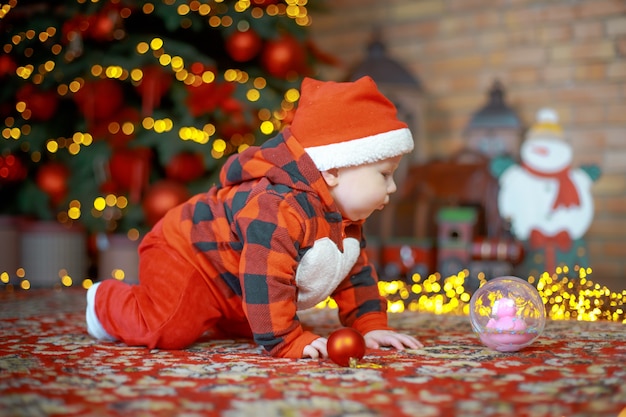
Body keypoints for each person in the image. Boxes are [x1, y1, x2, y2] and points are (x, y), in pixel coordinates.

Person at [86, 76, 423, 359]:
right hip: (188, 253)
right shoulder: (279, 207)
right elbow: (265, 275)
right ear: (333, 170)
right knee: (167, 327)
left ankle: (227, 316)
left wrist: (371, 326)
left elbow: (355, 276)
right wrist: (287, 340)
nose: (392, 187)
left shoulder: (344, 219)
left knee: (254, 317)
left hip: (236, 278)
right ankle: (104, 302)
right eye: (384, 175)